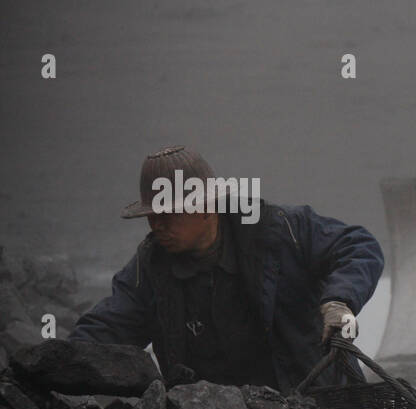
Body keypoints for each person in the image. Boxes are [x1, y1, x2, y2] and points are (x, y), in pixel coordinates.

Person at [70, 145, 384, 392]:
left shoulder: (277, 231)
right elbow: (106, 329)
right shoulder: (150, 271)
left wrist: (339, 301)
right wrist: (57, 364)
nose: (157, 225)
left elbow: (358, 246)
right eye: (152, 216)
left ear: (206, 207)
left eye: (168, 214)